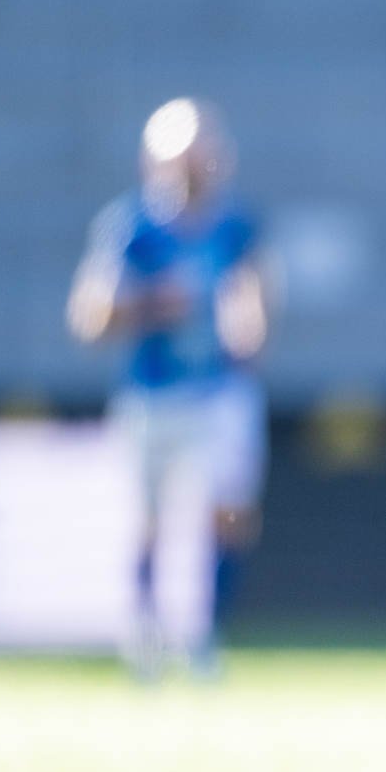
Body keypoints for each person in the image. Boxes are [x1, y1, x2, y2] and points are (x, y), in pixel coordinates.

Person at [68, 98, 271, 678]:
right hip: (152, 391)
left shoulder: (235, 224)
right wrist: (154, 302)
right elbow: (90, 314)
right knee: (148, 518)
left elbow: (255, 292)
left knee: (229, 509)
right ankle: (147, 631)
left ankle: (206, 632)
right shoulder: (131, 225)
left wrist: (249, 331)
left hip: (219, 390)